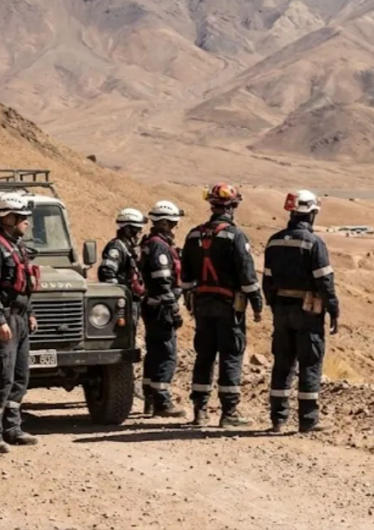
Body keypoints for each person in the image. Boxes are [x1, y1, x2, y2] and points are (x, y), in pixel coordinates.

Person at [180, 183, 262, 427]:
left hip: (202, 306)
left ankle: (200, 412)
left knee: (204, 356)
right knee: (231, 356)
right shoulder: (235, 236)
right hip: (229, 307)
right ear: (232, 207)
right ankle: (229, 413)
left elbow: (185, 278)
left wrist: (190, 302)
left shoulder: (193, 235)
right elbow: (247, 276)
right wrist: (257, 304)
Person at [262, 190, 339, 434]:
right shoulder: (313, 243)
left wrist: (274, 306)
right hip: (307, 312)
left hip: (281, 310)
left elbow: (267, 281)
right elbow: (324, 281)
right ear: (311, 214)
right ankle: (307, 420)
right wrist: (333, 309)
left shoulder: (274, 241)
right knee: (310, 363)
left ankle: (278, 420)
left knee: (282, 363)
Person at [0, 192, 41, 453]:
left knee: (20, 375)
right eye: (22, 217)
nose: (27, 222)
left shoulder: (18, 246)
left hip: (20, 318)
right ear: (9, 218)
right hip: (5, 320)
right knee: (0, 375)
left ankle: (12, 428)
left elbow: (24, 286)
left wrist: (30, 312)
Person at [138, 200, 188, 418]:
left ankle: (150, 400)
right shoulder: (159, 246)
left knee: (155, 351)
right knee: (166, 353)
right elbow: (162, 281)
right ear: (165, 223)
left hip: (152, 305)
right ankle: (162, 401)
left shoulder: (150, 243)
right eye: (173, 223)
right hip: (160, 308)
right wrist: (173, 308)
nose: (175, 228)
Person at [97, 207, 150, 412]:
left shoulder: (128, 248)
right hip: (125, 304)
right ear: (127, 229)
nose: (138, 234)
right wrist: (122, 294)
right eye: (136, 230)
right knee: (125, 343)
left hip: (133, 302)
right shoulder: (116, 247)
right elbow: (106, 272)